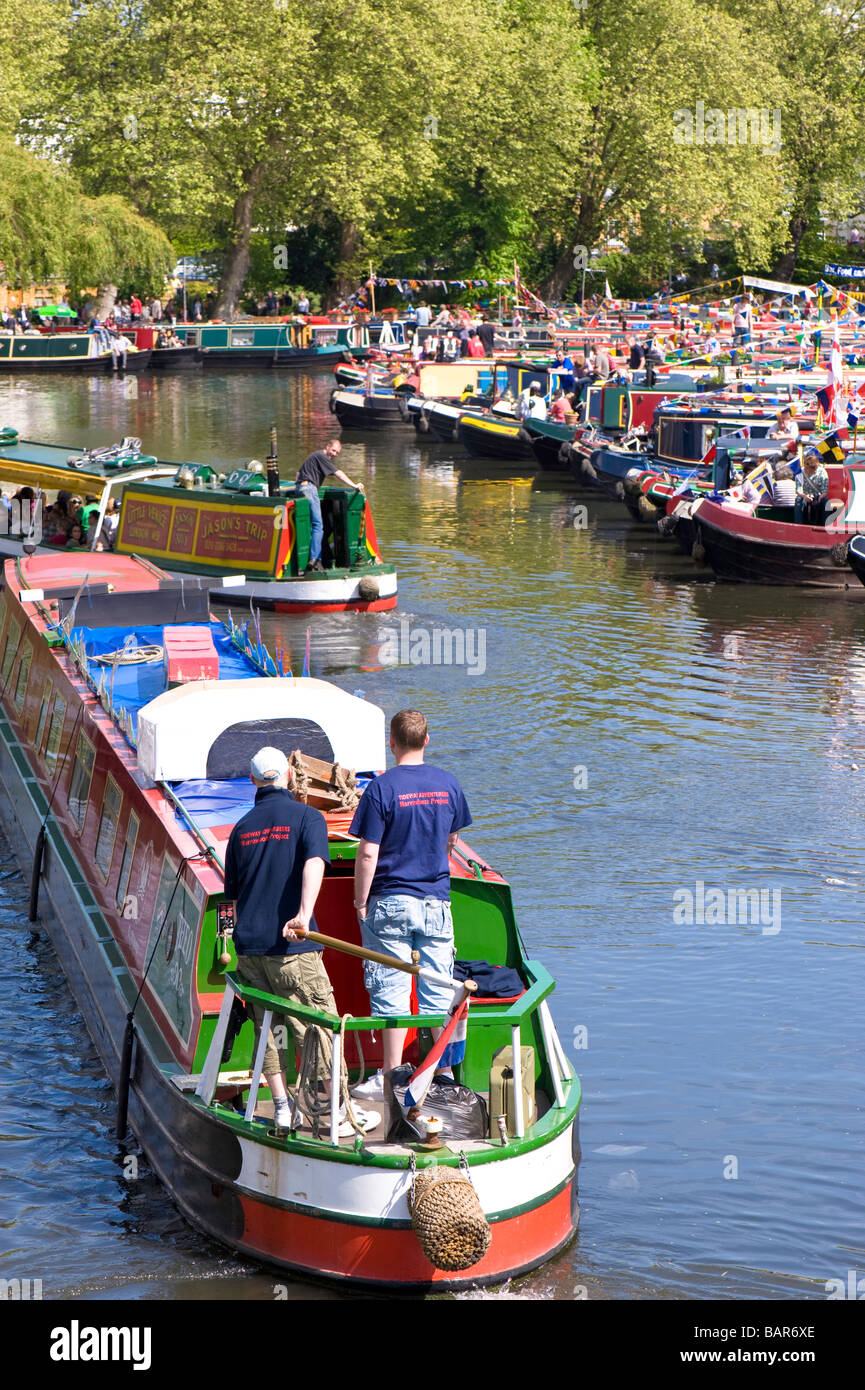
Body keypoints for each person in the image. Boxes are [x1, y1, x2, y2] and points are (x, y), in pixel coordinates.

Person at [224, 747, 378, 1134]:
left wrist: (244, 939)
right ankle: (338, 1115)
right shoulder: (308, 817)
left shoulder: (241, 829)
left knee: (268, 1029)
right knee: (319, 1026)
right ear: (291, 776)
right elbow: (314, 862)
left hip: (250, 949)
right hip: (292, 947)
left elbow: (235, 898)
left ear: (254, 781)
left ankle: (280, 1108)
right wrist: (304, 915)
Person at [349, 710, 472, 1098]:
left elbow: (368, 853)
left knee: (392, 991)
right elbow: (451, 840)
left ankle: (391, 1078)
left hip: (390, 903)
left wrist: (359, 902)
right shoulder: (448, 784)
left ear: (392, 742)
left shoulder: (381, 789)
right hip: (436, 903)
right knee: (438, 990)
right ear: (427, 740)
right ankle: (444, 1076)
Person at [295, 439, 365, 573]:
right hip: (310, 489)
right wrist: (354, 485)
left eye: (337, 453)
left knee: (309, 524)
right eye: (333, 450)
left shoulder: (314, 457)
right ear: (327, 447)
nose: (334, 454)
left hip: (302, 488)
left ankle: (311, 557)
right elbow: (338, 473)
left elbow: (298, 475)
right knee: (318, 525)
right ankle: (315, 559)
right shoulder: (321, 456)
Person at [795, 449, 830, 522]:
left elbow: (825, 490)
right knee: (798, 500)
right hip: (805, 496)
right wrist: (805, 496)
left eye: (815, 468)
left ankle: (825, 525)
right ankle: (798, 524)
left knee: (826, 502)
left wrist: (820, 497)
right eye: (811, 468)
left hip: (818, 496)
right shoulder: (800, 473)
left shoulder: (822, 472)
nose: (813, 470)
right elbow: (798, 490)